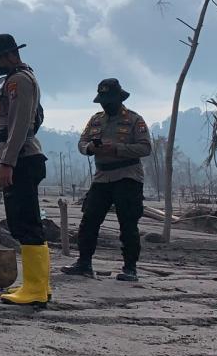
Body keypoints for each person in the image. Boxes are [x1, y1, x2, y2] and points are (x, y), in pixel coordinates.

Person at [0, 34, 49, 305]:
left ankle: (35, 290)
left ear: (9, 55)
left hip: (22, 159)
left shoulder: (18, 80)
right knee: (25, 223)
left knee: (26, 224)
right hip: (22, 155)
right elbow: (16, 123)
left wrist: (7, 163)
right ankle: (38, 285)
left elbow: (21, 126)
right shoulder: (19, 78)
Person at [62, 79, 151, 282]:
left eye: (110, 101)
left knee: (128, 223)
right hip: (102, 177)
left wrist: (118, 149)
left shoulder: (135, 120)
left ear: (119, 99)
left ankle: (130, 268)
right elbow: (82, 142)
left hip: (127, 175)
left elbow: (145, 148)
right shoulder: (96, 120)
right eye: (103, 101)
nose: (106, 105)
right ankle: (84, 263)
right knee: (89, 220)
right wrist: (90, 149)